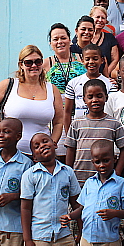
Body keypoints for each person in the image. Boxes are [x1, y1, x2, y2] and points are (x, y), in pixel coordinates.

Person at [0, 45, 64, 156]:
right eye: (28, 62)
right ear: (21, 65)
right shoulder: (8, 85)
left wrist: (52, 142)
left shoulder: (52, 89)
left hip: (42, 156)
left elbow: (58, 122)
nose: (34, 66)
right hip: (10, 155)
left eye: (38, 62)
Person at [61, 140, 124, 246]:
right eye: (98, 162)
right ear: (93, 162)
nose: (102, 165)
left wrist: (115, 213)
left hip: (109, 240)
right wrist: (70, 216)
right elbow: (81, 208)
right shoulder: (89, 183)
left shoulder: (122, 184)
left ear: (114, 159)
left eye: (106, 160)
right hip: (87, 239)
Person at [0, 118, 33, 246]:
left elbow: (31, 193)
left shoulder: (26, 164)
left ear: (18, 136)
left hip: (12, 226)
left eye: (6, 132)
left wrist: (13, 196)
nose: (1, 135)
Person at [65, 79, 124, 186]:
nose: (95, 100)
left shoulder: (114, 124)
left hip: (106, 181)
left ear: (106, 97)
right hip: (79, 180)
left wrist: (117, 172)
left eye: (99, 96)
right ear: (84, 99)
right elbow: (70, 149)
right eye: (90, 97)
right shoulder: (76, 123)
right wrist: (69, 173)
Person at [21, 133, 81, 246]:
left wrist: (81, 231)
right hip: (39, 236)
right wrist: (27, 239)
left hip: (64, 235)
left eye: (45, 141)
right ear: (34, 157)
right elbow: (25, 209)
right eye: (37, 146)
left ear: (55, 145)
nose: (42, 146)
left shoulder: (68, 172)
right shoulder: (29, 175)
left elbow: (76, 204)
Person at [44, 23, 87, 158]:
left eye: (63, 38)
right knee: (61, 155)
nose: (59, 42)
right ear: (50, 43)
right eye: (55, 39)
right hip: (58, 118)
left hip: (82, 114)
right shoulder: (45, 64)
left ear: (70, 39)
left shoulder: (83, 59)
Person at [65, 44, 117, 120]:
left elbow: (113, 110)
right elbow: (67, 112)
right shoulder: (73, 83)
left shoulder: (110, 84)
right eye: (87, 59)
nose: (91, 62)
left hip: (102, 126)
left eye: (95, 59)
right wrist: (68, 132)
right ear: (82, 61)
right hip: (80, 127)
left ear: (102, 60)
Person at [89, 6, 119, 75]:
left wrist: (105, 75)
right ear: (91, 18)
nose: (100, 20)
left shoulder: (110, 37)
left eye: (103, 18)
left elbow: (115, 59)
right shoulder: (83, 36)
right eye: (97, 17)